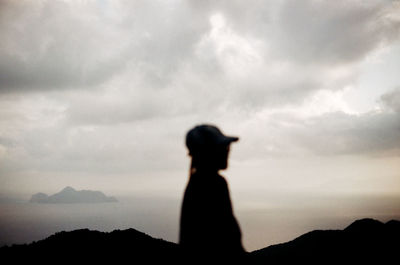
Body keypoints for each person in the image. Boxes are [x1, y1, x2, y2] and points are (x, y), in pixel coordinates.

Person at [179, 124, 246, 262]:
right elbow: (227, 241)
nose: (228, 151)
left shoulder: (196, 183)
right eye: (223, 147)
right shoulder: (214, 184)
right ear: (208, 152)